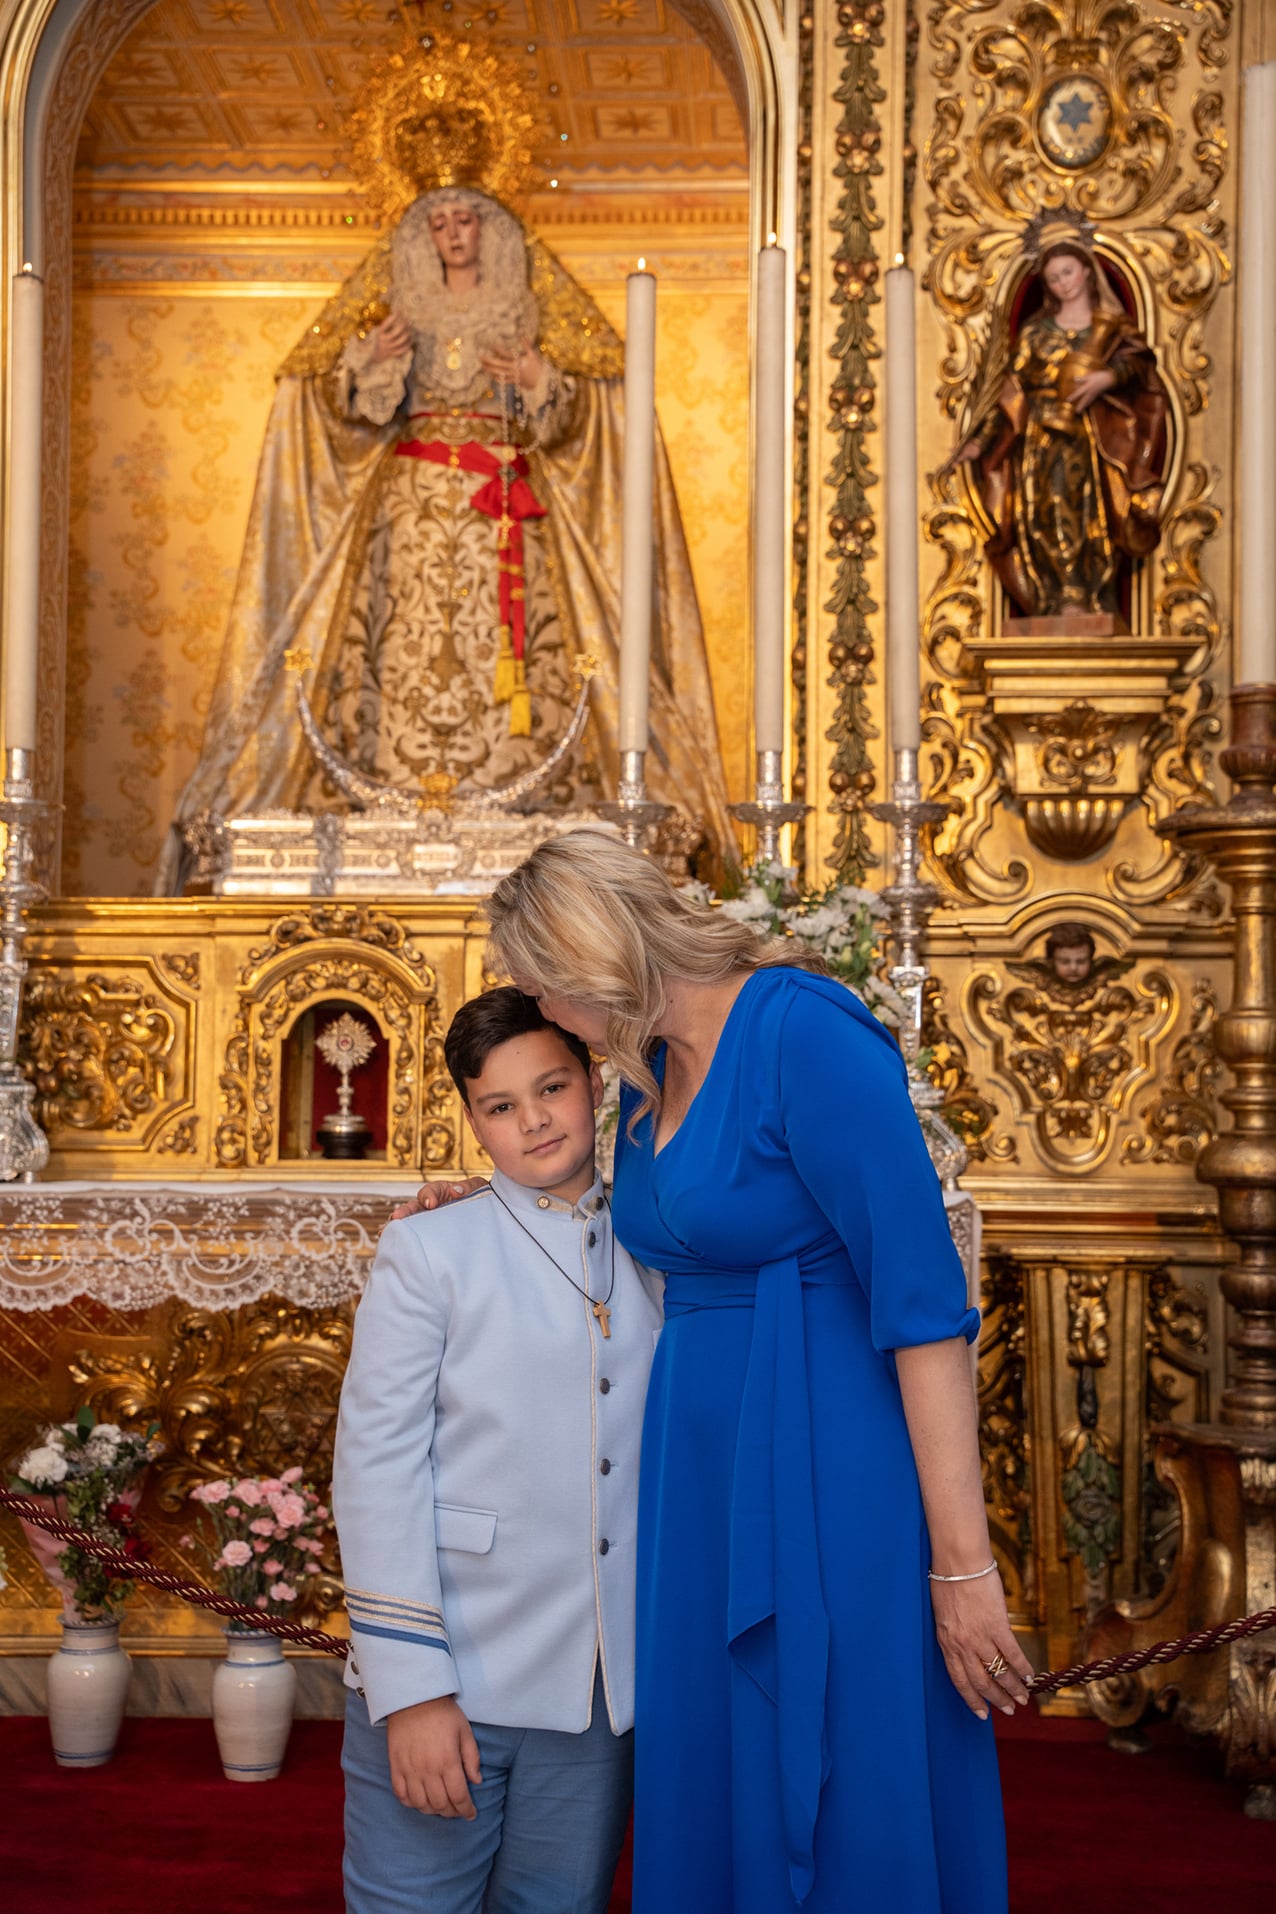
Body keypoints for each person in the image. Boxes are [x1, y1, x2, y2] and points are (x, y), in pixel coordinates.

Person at [409, 829, 1033, 1914]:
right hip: (696, 1475)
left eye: (552, 988)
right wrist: (491, 1215)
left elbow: (923, 1307)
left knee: (844, 1752)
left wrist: (962, 1566)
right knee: (718, 1750)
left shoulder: (802, 1034)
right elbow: (644, 1240)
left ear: (603, 952)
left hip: (828, 1452)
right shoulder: (643, 1080)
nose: (551, 1016)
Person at [158, 180, 734, 890]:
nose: (454, 235)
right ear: (422, 239)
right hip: (412, 508)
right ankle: (397, 798)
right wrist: (368, 363)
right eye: (439, 224)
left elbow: (584, 410)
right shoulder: (401, 312)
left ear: (487, 233)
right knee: (399, 635)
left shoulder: (526, 311)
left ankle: (527, 798)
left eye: (465, 221)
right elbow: (334, 400)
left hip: (506, 512)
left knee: (525, 651)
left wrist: (536, 376)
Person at [334, 985, 662, 1914]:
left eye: (551, 1088)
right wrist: (413, 1692)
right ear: (474, 1121)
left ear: (594, 1083)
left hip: (596, 1692)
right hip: (456, 1673)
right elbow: (377, 1471)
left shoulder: (660, 1243)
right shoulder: (432, 1250)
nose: (534, 1122)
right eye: (500, 1106)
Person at [957, 218, 1169, 620]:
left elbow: (1141, 370)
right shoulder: (1036, 332)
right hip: (1040, 438)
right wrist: (980, 441)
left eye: (1068, 272)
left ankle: (1086, 591)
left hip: (1095, 438)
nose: (1063, 284)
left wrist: (1108, 376)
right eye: (1053, 279)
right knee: (1046, 507)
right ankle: (1057, 594)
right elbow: (1009, 391)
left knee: (1093, 509)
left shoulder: (1114, 331)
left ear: (1087, 270)